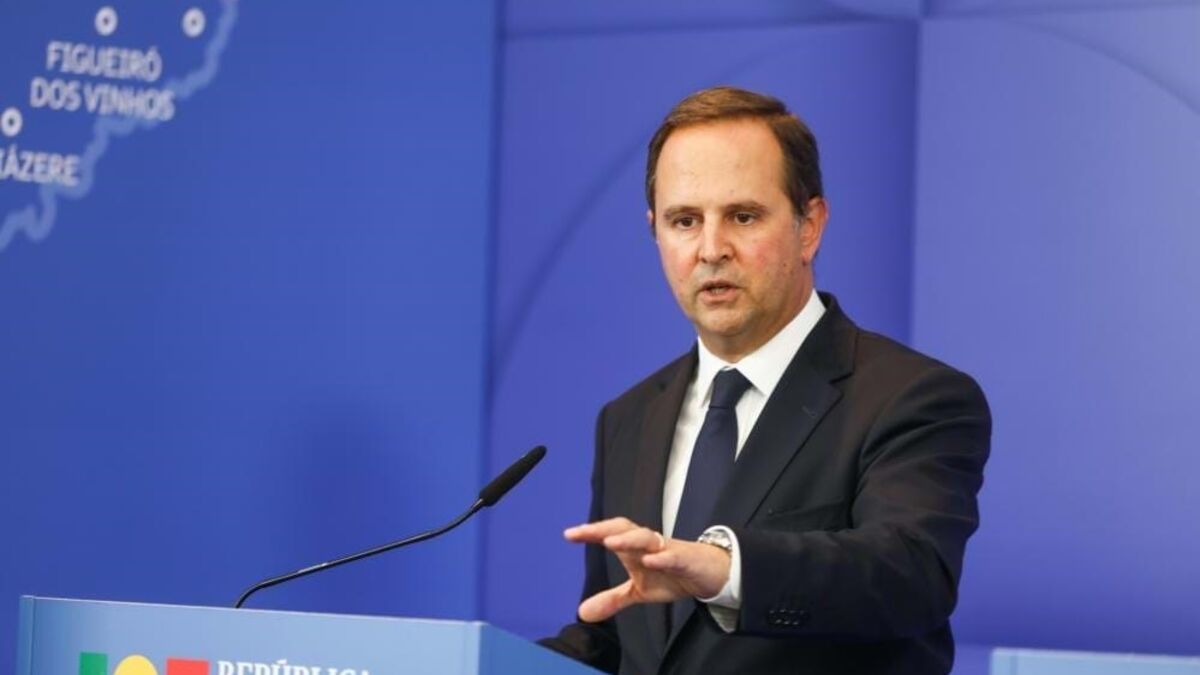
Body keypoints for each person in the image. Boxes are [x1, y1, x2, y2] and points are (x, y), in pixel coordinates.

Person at [539, 86, 991, 675]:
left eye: (743, 216)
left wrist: (728, 570)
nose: (711, 249)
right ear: (656, 232)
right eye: (684, 221)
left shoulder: (913, 398)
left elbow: (909, 575)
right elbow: (617, 638)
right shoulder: (628, 418)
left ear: (810, 226)